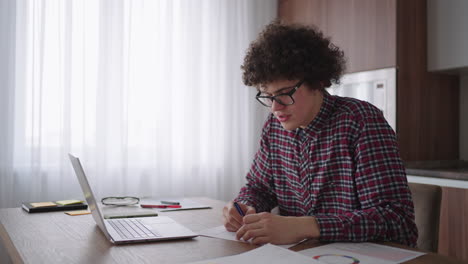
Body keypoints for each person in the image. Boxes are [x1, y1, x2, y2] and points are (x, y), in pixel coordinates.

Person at [222, 21, 418, 247]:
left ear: (317, 81)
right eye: (267, 95)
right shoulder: (274, 128)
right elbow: (259, 187)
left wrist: (306, 226)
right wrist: (243, 207)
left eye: (284, 94)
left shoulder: (360, 121)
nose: (275, 108)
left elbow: (397, 222)